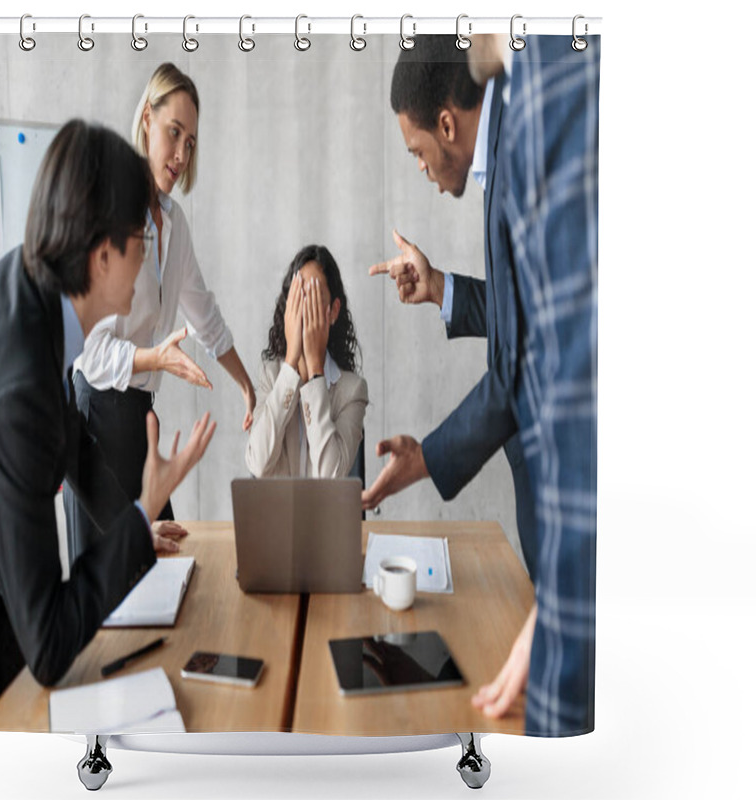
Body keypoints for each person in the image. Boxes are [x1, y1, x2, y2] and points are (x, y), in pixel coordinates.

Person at [0, 119, 216, 727]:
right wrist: (142, 509)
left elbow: (71, 441)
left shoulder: (32, 290)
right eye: (140, 243)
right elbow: (48, 643)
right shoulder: (19, 385)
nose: (146, 261)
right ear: (103, 256)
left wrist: (131, 524)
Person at [64, 62, 255, 561]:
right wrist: (156, 358)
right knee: (108, 588)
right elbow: (90, 352)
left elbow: (204, 313)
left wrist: (245, 384)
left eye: (191, 142)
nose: (181, 153)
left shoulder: (174, 221)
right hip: (96, 418)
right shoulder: (109, 209)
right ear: (147, 119)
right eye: (174, 132)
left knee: (164, 563)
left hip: (138, 419)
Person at [363, 35, 537, 578]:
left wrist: (427, 458)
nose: (420, 166)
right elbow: (525, 316)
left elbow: (525, 357)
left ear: (446, 125)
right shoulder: (505, 152)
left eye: (416, 151)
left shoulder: (524, 154)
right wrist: (439, 287)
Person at [471, 35, 599, 736]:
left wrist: (558, 620)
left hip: (578, 595)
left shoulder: (553, 71)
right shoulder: (521, 95)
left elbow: (579, 388)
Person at [245, 245, 367, 478]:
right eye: (299, 298)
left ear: (333, 311)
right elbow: (257, 463)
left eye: (313, 299)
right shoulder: (270, 376)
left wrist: (315, 373)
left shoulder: (352, 390)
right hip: (276, 514)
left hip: (325, 515)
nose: (305, 311)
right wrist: (291, 364)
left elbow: (330, 474)